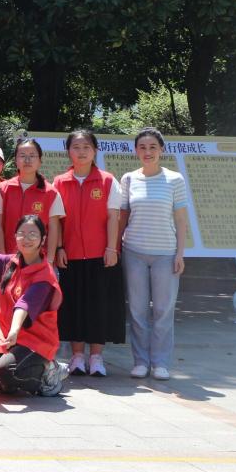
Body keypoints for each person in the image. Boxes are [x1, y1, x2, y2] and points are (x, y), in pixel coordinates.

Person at [119, 127, 189, 381]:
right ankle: (140, 362)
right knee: (137, 310)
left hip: (165, 254)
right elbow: (122, 217)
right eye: (142, 147)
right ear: (136, 151)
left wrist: (180, 254)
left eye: (152, 147)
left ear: (161, 150)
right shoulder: (128, 179)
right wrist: (114, 248)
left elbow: (181, 220)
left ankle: (160, 363)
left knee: (163, 310)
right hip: (133, 252)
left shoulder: (174, 179)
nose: (147, 152)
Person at [52, 129, 123, 378]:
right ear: (68, 151)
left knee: (98, 306)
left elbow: (113, 217)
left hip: (101, 256)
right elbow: (57, 221)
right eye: (76, 147)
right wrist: (59, 247)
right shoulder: (60, 182)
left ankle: (96, 357)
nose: (81, 152)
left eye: (86, 147)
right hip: (70, 255)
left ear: (95, 151)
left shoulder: (107, 181)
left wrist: (112, 248)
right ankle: (77, 357)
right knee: (74, 306)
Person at [0, 216, 65, 397]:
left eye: (33, 234)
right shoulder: (11, 263)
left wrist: (14, 330)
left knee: (6, 370)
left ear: (43, 239)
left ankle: (48, 372)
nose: (26, 239)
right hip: (8, 336)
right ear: (15, 237)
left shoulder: (45, 276)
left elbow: (24, 305)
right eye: (21, 233)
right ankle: (11, 381)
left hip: (35, 342)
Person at [0, 137, 64, 261]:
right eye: (22, 155)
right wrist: (3, 258)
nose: (27, 160)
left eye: (32, 156)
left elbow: (53, 229)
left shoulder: (51, 193)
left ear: (40, 161)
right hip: (10, 258)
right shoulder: (4, 189)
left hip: (39, 260)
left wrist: (50, 261)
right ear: (16, 161)